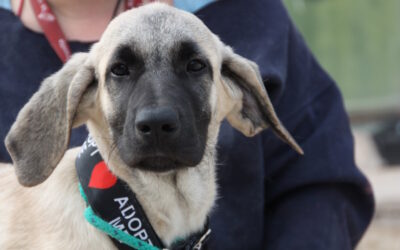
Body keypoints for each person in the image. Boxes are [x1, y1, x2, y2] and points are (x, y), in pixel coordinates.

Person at [0, 0, 374, 249]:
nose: (157, 114)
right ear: (83, 98)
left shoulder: (250, 13)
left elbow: (324, 184)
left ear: (240, 97)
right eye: (120, 70)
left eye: (194, 67)